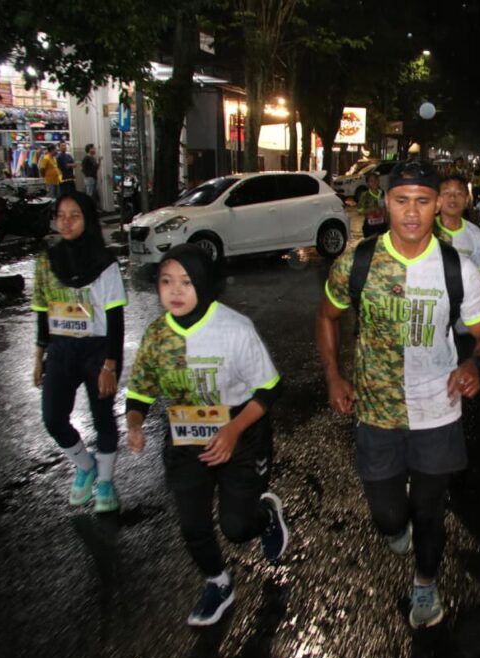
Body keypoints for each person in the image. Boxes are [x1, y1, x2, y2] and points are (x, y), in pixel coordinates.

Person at [316, 160, 480, 629]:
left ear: (438, 205)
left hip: (437, 409)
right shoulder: (357, 262)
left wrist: (474, 364)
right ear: (387, 203)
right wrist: (334, 376)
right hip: (377, 411)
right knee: (387, 516)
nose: (413, 212)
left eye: (423, 200)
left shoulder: (457, 269)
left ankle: (426, 582)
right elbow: (327, 316)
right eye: (402, 201)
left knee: (429, 510)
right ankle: (397, 527)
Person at [125, 244, 289, 627]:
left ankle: (265, 516)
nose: (175, 291)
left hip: (241, 430)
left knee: (236, 528)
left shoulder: (234, 328)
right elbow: (140, 392)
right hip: (185, 436)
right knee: (192, 525)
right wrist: (134, 423)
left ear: (203, 283)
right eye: (166, 281)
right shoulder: (157, 336)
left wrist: (232, 430)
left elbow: (269, 390)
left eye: (186, 282)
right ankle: (218, 582)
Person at [31, 191, 125, 513]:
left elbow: (115, 318)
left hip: (98, 350)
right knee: (53, 418)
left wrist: (110, 365)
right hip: (60, 349)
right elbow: (42, 311)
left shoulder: (105, 263)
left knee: (103, 419)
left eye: (75, 215)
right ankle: (86, 466)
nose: (66, 222)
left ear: (88, 220)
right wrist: (39, 356)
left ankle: (106, 482)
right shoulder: (46, 261)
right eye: (61, 216)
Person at [434, 173, 480, 361]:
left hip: (464, 318)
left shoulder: (476, 235)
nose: (452, 198)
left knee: (464, 363)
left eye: (458, 193)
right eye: (446, 193)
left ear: (467, 200)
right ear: (437, 199)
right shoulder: (426, 231)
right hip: (432, 315)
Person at [357, 172, 387, 239]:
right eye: (371, 181)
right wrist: (372, 210)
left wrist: (384, 215)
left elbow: (386, 207)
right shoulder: (365, 195)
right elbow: (359, 210)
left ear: (378, 181)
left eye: (376, 180)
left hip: (382, 226)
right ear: (367, 183)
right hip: (370, 227)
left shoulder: (383, 193)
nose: (374, 182)